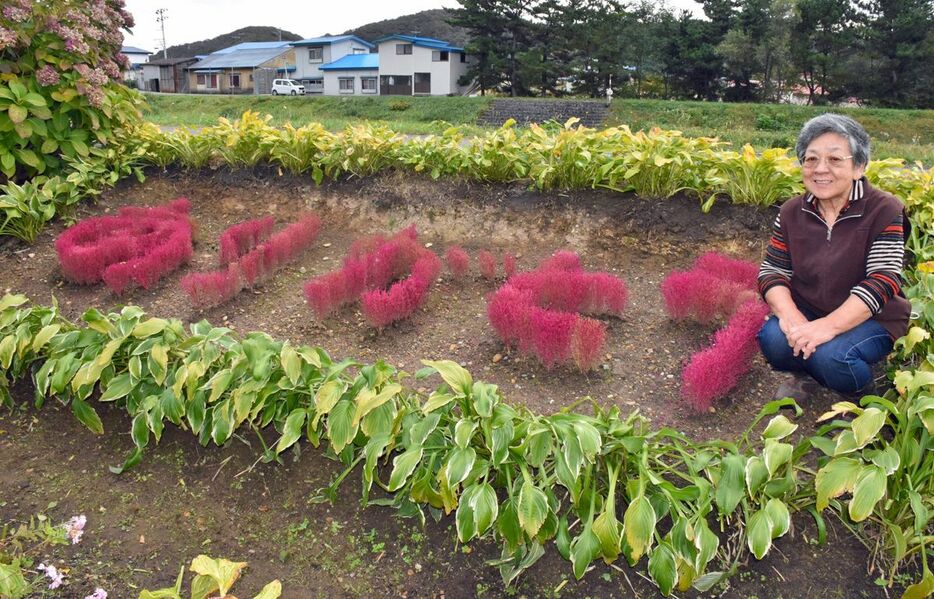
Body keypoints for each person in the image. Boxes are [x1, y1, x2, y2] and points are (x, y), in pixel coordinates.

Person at [756, 113, 910, 401]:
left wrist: (827, 327)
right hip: (811, 308)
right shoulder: (792, 211)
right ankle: (806, 376)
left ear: (859, 167)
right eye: (810, 159)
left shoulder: (884, 210)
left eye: (835, 160)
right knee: (774, 339)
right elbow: (772, 271)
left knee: (834, 356)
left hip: (874, 317)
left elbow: (883, 280)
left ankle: (862, 399)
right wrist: (792, 318)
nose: (820, 169)